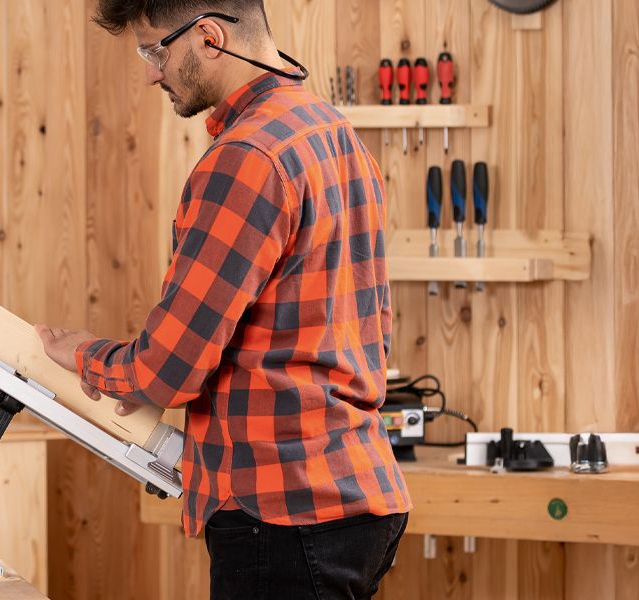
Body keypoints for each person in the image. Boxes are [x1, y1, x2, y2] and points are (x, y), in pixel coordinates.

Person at [35, 1, 410, 597]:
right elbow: (370, 328)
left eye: (155, 50)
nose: (152, 72)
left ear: (209, 36)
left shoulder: (246, 159)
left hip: (282, 513)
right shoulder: (329, 130)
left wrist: (86, 356)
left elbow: (166, 372)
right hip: (352, 492)